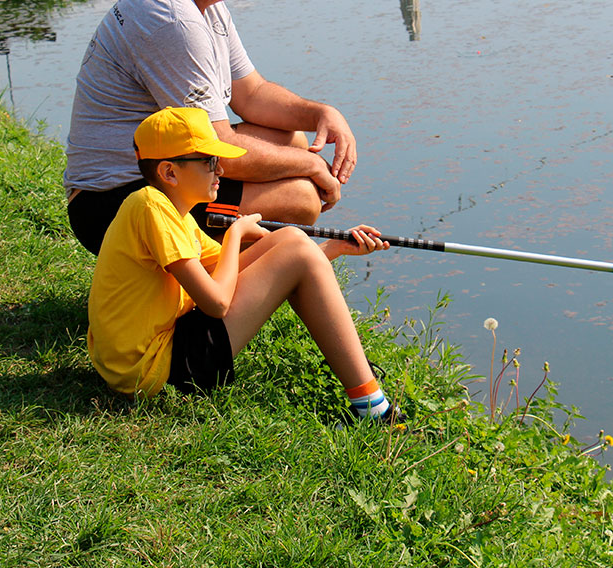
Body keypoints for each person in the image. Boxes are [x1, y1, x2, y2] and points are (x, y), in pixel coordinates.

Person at [64, 0, 357, 255]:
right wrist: (312, 168)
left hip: (158, 177)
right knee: (301, 197)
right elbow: (219, 147)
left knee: (293, 139)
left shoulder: (204, 5)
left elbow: (252, 94)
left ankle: (220, 264)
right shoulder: (172, 19)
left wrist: (321, 114)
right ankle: (220, 285)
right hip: (112, 206)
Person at [87, 106, 397, 422]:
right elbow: (217, 302)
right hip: (151, 372)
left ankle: (368, 399)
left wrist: (332, 249)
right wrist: (235, 232)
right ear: (169, 172)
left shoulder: (170, 212)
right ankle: (375, 411)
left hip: (153, 355)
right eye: (210, 162)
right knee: (294, 249)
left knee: (289, 239)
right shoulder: (151, 209)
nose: (221, 170)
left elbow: (242, 268)